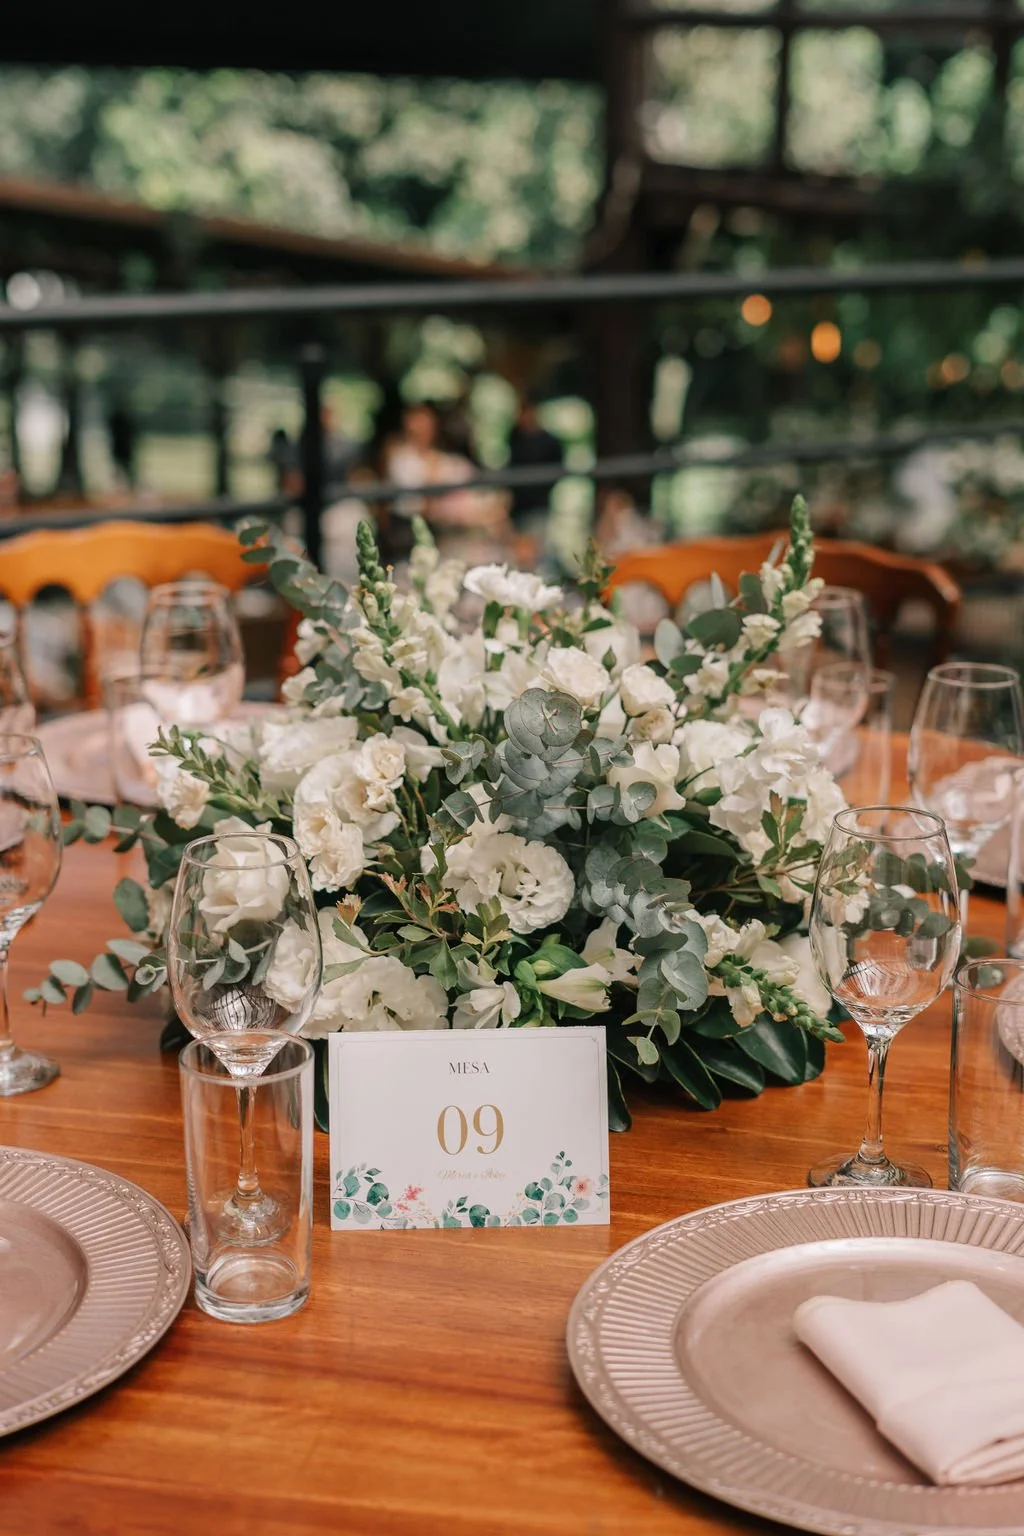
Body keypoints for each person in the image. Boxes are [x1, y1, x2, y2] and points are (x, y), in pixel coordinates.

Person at [506, 393, 562, 568]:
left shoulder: (549, 441)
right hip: (519, 507)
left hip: (538, 505)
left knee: (539, 551)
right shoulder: (514, 437)